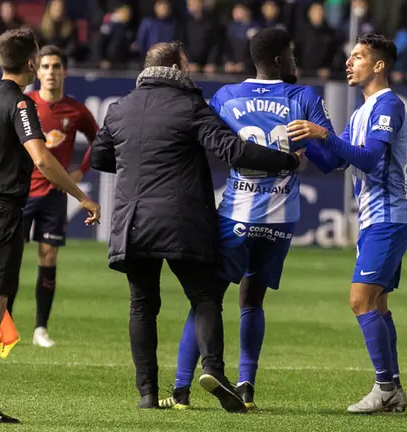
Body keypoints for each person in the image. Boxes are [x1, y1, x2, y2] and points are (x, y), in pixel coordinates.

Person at [89, 41, 305, 412]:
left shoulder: (119, 108)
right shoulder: (189, 105)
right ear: (175, 67)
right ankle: (214, 371)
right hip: (181, 221)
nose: (189, 71)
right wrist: (287, 161)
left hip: (133, 223)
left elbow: (99, 157)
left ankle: (147, 395)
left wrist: (137, 165)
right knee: (204, 297)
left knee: (142, 306)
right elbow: (233, 151)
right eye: (186, 65)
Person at [160, 27, 342, 411]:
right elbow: (331, 162)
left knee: (207, 299)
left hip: (236, 215)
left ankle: (181, 389)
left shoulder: (226, 97)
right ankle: (246, 386)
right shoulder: (304, 97)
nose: (296, 61)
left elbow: (202, 144)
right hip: (281, 218)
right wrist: (309, 145)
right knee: (253, 299)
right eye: (292, 54)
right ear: (279, 60)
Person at [0, 28, 100, 423]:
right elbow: (41, 159)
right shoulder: (21, 104)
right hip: (1, 211)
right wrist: (82, 196)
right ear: (31, 63)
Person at [286, 33, 407, 413]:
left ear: (379, 65)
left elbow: (371, 159)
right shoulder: (362, 112)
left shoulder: (388, 105)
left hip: (388, 215)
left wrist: (324, 133)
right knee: (377, 303)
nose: (349, 62)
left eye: (358, 56)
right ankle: (393, 389)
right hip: (375, 218)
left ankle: (385, 388)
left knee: (360, 300)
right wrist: (306, 143)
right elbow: (336, 162)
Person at [4, 44, 100, 348]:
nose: (50, 72)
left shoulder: (76, 111)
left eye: (56, 66)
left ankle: (40, 329)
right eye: (45, 66)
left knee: (48, 257)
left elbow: (99, 142)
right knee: (11, 259)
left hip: (55, 195)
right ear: (36, 70)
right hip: (21, 193)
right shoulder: (25, 103)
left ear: (64, 72)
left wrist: (79, 173)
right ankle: (4, 325)